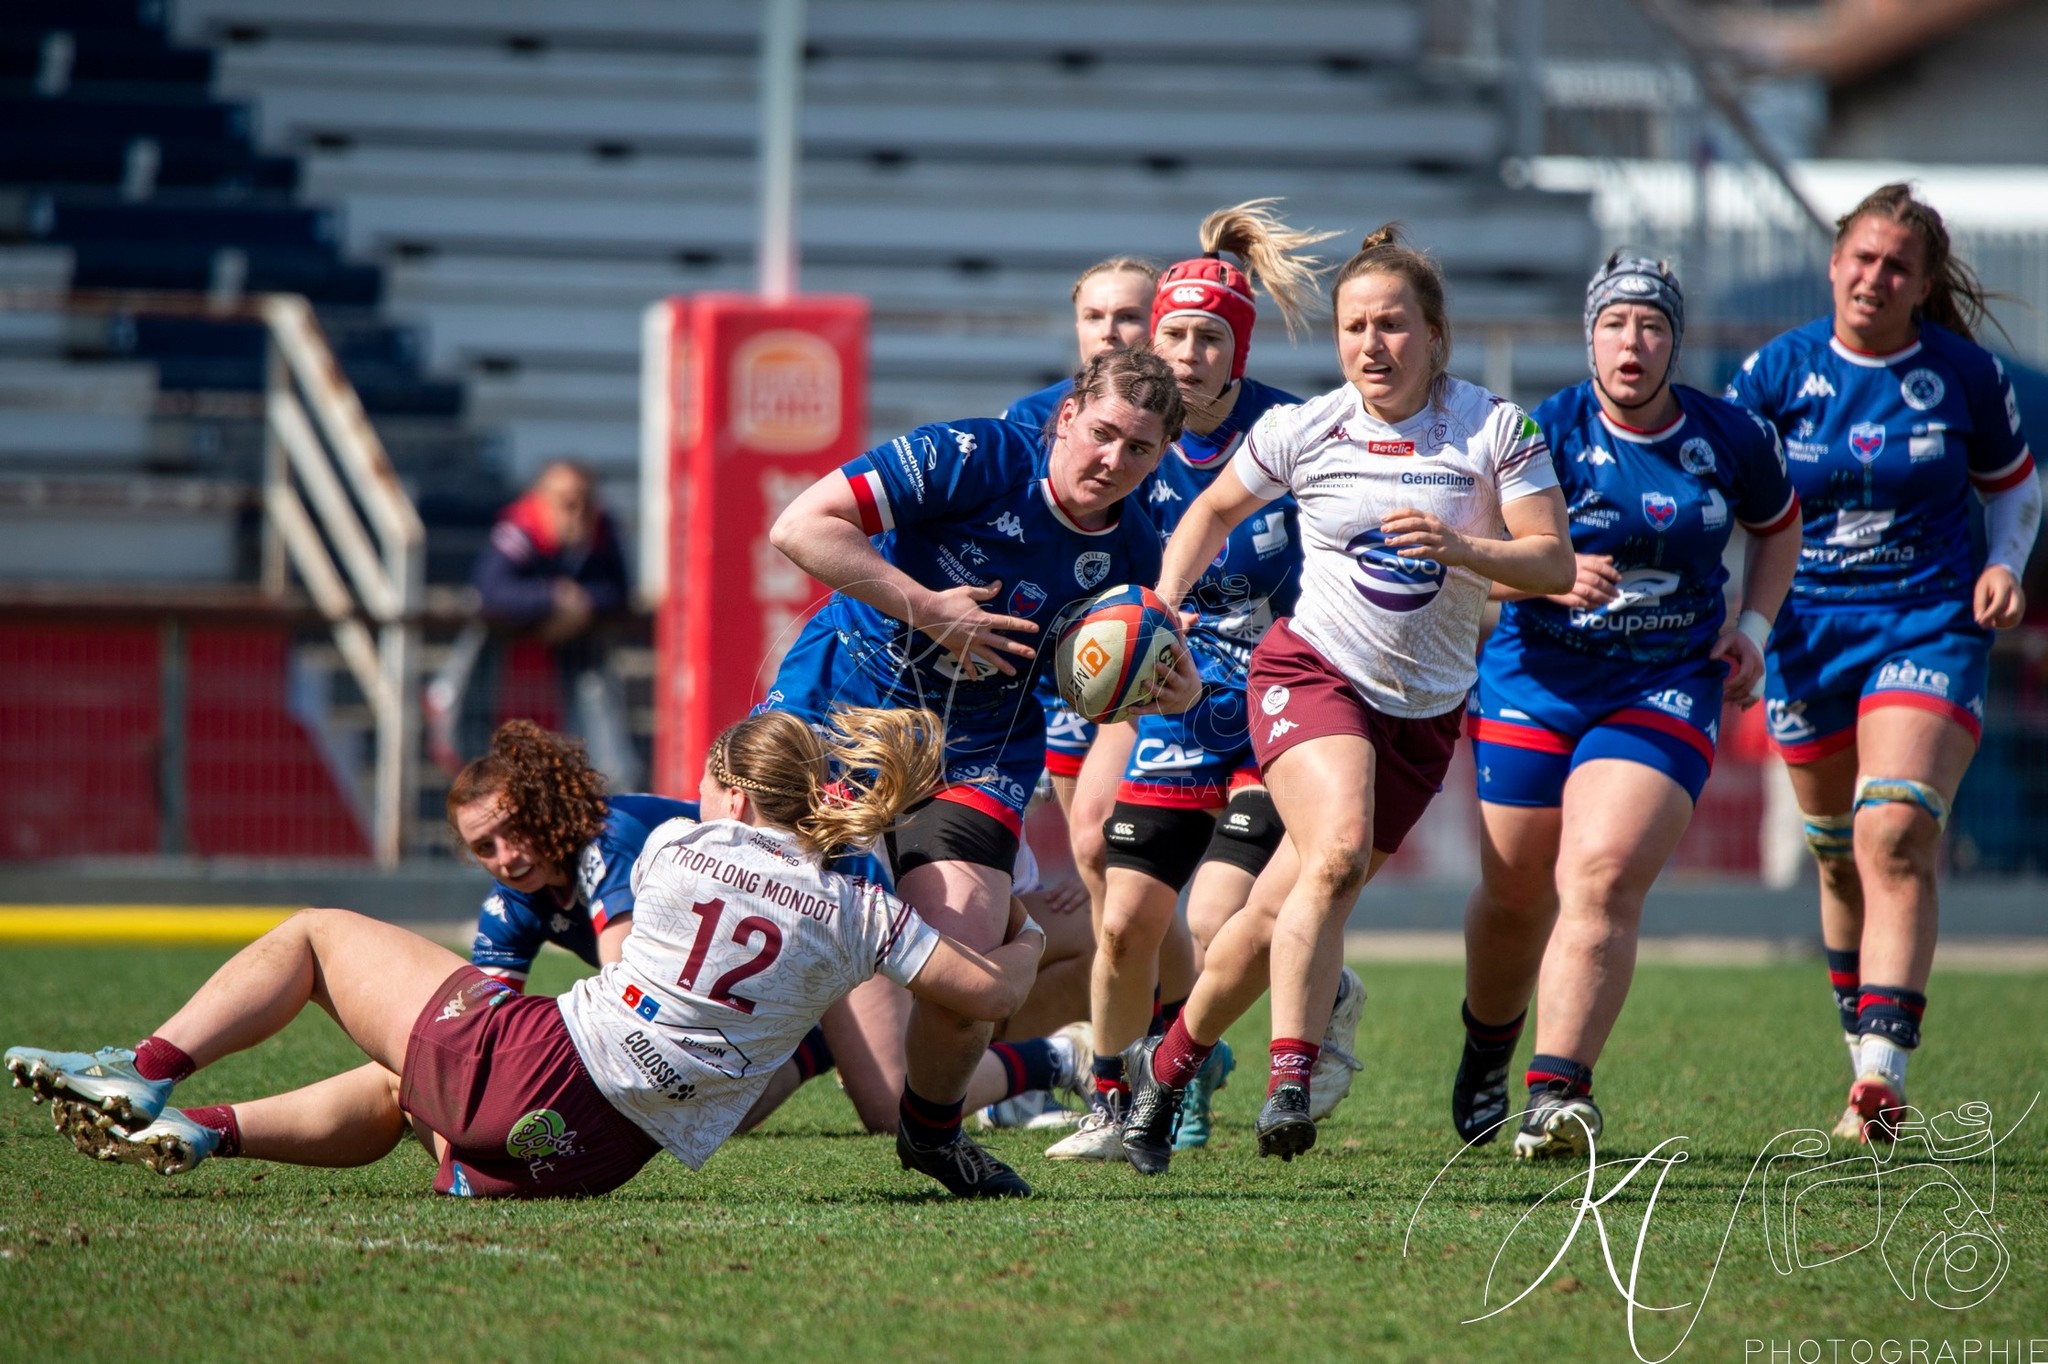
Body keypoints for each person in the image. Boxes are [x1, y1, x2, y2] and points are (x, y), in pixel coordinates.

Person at [7, 708, 1052, 1200]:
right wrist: (1031, 930)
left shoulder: (677, 840)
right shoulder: (861, 909)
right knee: (411, 1076)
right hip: (597, 1154)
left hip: (553, 1066)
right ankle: (206, 1132)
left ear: (727, 790)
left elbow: (631, 937)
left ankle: (143, 1072)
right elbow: (989, 986)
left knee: (317, 933)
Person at [1116, 224, 1575, 1174]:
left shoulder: (1498, 430)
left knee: (1273, 912)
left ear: (1436, 335)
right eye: (1355, 326)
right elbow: (1210, 509)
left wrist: (1468, 551)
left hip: (1424, 710)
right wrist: (1162, 603)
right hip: (1309, 676)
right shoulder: (1309, 427)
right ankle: (1295, 1072)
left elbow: (1553, 561)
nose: (1373, 344)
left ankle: (1162, 1071)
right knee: (1331, 856)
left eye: (1394, 325)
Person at [760, 347, 1199, 1195]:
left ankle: (931, 1137)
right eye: (1103, 433)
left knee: (968, 969)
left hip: (973, 754)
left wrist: (1162, 693)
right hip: (840, 709)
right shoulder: (977, 457)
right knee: (756, 905)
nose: (1113, 462)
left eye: (1139, 451)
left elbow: (1091, 691)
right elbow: (798, 526)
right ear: (1067, 415)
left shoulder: (1136, 559)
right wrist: (928, 608)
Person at [1453, 255, 1803, 1158]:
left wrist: (1755, 631)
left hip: (1666, 680)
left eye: (1650, 326)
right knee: (1515, 892)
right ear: (1590, 336)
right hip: (1537, 675)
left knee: (1601, 875)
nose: (1632, 342)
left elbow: (1779, 526)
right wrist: (1545, 575)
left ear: (1673, 342)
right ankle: (1488, 1047)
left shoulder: (1731, 436)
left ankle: (1557, 1091)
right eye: (1615, 324)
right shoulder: (1540, 430)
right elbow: (1482, 547)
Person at [1724, 184, 2039, 1143]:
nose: (1875, 278)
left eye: (1897, 266)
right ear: (1834, 263)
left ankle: (1882, 1075)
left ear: (1924, 283)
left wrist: (2003, 565)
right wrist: (1736, 622)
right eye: (1862, 258)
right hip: (1811, 632)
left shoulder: (1965, 375)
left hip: (1927, 625)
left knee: (1894, 831)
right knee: (1837, 857)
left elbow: (2018, 491)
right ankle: (1861, 1045)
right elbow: (1720, 495)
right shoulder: (1774, 373)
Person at [1046, 201, 1331, 1168]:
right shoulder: (1129, 439)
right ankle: (1110, 1099)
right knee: (1124, 923)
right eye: (1174, 333)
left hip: (1273, 710)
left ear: (1237, 355)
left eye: (1211, 338)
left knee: (1214, 918)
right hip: (1169, 704)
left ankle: (1248, 1044)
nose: (1189, 353)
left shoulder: (1292, 439)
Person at [1004, 257, 1160, 969]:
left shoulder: (1203, 422)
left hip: (1173, 656)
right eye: (1095, 317)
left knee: (1146, 871)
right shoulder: (1034, 420)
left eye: (1128, 315)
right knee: (1097, 857)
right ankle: (1122, 1050)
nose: (1111, 332)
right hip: (1081, 664)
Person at [427, 459, 639, 787]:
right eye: (567, 502)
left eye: (586, 500)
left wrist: (580, 605)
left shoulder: (601, 528)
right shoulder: (520, 529)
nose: (578, 511)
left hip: (570, 676)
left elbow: (619, 592)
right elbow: (491, 591)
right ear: (542, 501)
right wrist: (553, 598)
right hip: (501, 680)